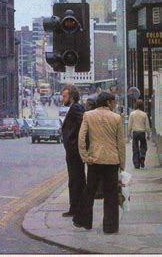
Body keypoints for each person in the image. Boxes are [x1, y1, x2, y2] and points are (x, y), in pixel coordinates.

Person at [73, 92, 125, 234]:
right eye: (113, 102)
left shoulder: (88, 115)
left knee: (90, 190)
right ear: (108, 102)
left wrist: (85, 156)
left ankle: (83, 221)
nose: (114, 105)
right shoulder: (116, 118)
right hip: (112, 160)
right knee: (111, 194)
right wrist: (122, 164)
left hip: (94, 160)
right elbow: (120, 143)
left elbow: (81, 138)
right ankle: (110, 226)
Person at [61, 85, 86, 218]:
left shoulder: (76, 107)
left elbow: (83, 125)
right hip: (74, 150)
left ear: (71, 96)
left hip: (75, 151)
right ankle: (77, 207)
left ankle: (75, 208)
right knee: (78, 179)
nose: (62, 98)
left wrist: (73, 142)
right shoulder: (76, 107)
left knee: (75, 179)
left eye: (64, 96)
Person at [128, 99, 151, 169]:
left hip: (135, 132)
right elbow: (147, 125)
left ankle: (136, 164)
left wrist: (129, 133)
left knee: (135, 147)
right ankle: (142, 156)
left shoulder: (132, 114)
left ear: (136, 105)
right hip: (142, 132)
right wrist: (148, 134)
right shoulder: (144, 114)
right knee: (143, 146)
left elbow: (130, 125)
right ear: (142, 106)